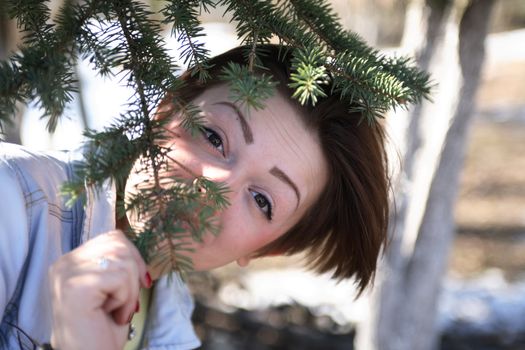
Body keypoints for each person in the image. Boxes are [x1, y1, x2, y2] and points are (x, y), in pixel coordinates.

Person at [0, 44, 389, 349]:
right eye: (214, 138)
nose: (214, 188)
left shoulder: (170, 327)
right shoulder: (12, 198)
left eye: (261, 200)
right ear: (168, 108)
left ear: (269, 249)